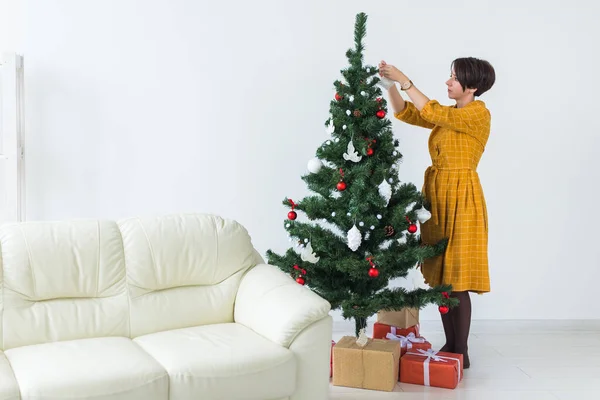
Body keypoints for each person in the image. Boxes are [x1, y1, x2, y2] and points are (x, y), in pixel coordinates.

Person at [378, 57, 495, 368]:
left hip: (463, 199)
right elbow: (408, 113)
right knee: (443, 277)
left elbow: (430, 110)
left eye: (454, 78)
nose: (448, 82)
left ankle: (462, 350)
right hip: (439, 197)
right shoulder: (451, 115)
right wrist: (391, 87)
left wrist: (405, 79)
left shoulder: (477, 114)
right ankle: (451, 345)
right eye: (450, 76)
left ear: (472, 87)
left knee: (458, 278)